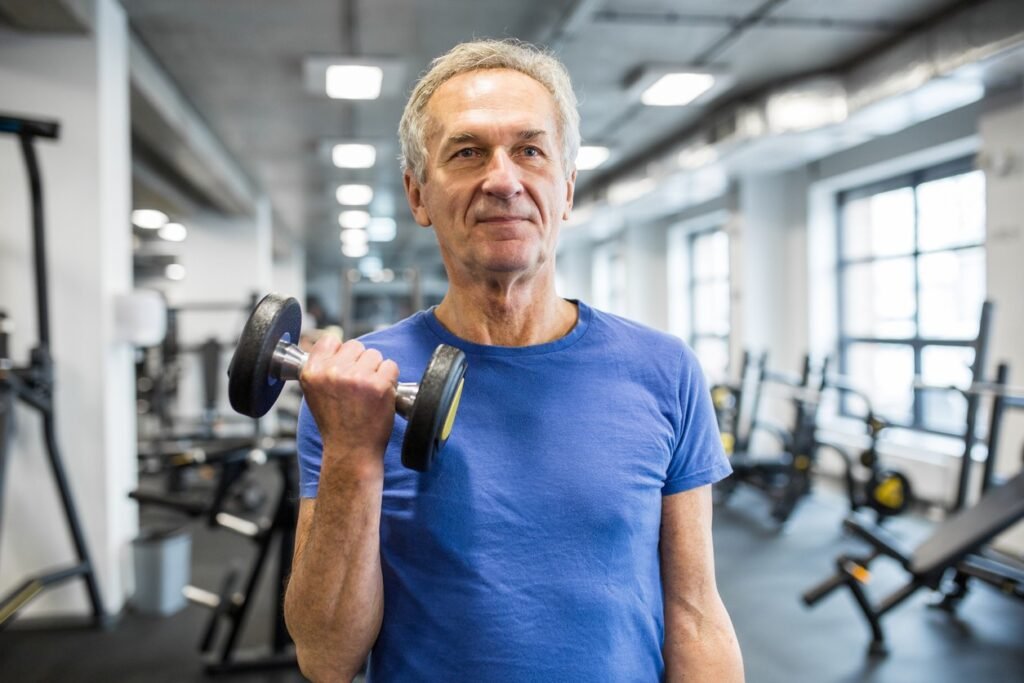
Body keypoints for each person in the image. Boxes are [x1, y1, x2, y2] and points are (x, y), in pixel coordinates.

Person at [284, 39, 744, 682]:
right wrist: (353, 456)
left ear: (567, 189)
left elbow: (695, 612)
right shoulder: (356, 386)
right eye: (468, 152)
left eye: (530, 150)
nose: (503, 180)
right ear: (418, 195)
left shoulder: (664, 370)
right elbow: (326, 658)